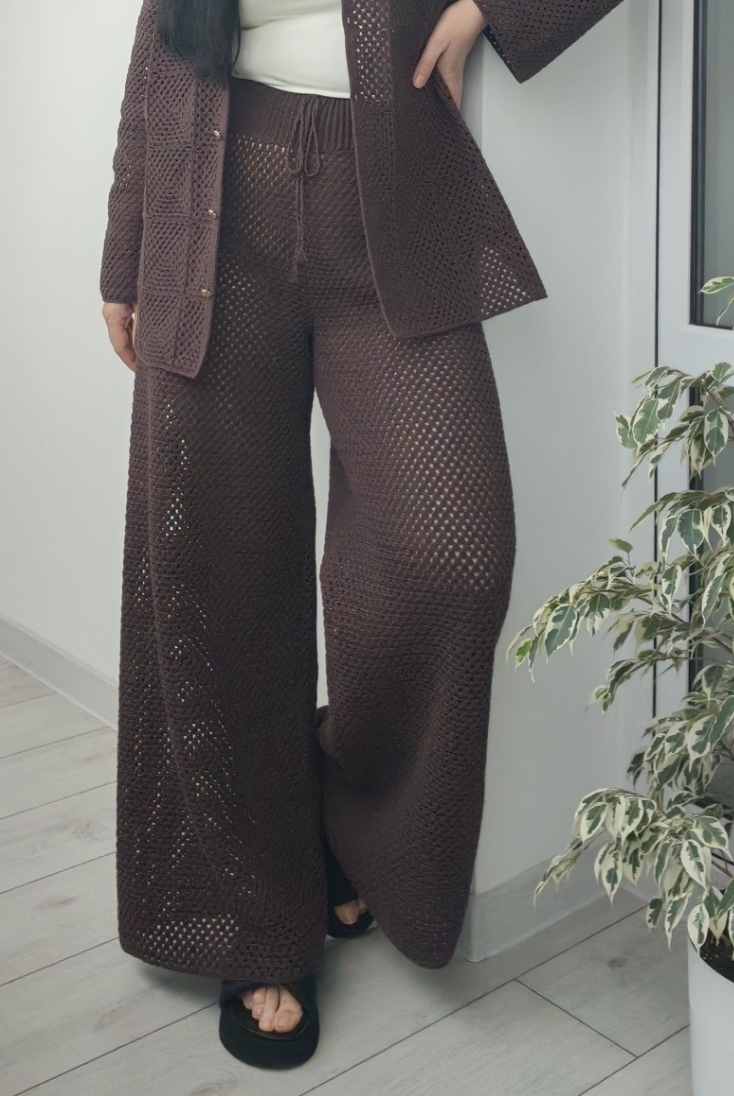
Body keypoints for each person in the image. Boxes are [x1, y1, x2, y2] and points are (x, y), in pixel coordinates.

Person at [100, 0, 624, 1071]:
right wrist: (123, 257)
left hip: (391, 218)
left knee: (453, 560)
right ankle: (258, 919)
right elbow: (156, 60)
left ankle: (336, 815)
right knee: (219, 576)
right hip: (210, 218)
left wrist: (481, 9)